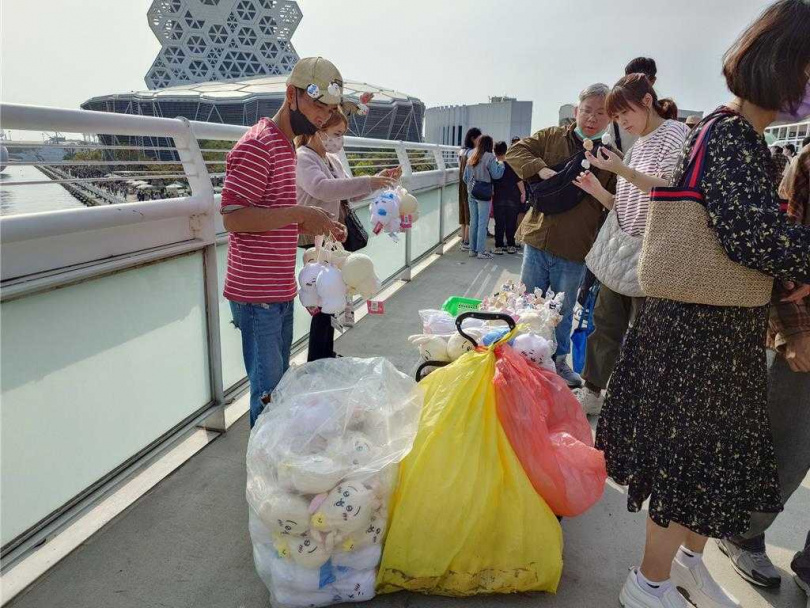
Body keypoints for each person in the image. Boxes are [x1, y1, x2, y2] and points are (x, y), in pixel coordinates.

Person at [596, 2, 810, 607]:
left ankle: (687, 564)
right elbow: (754, 234)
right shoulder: (733, 138)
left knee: (710, 465)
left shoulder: (723, 132)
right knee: (689, 466)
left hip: (710, 326)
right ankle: (648, 585)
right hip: (701, 333)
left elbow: (733, 235)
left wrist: (783, 277)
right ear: (784, 68)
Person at [221, 56, 347, 428]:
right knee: (269, 392)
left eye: (329, 110)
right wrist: (298, 214)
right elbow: (232, 216)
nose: (323, 117)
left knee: (277, 388)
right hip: (256, 295)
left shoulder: (283, 145)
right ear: (291, 95)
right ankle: (266, 475)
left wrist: (316, 227)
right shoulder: (259, 144)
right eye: (317, 105)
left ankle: (276, 467)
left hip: (275, 290)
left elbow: (270, 220)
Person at [717, 137, 810, 593]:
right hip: (805, 335)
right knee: (784, 446)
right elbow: (781, 249)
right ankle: (742, 529)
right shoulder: (807, 163)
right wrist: (793, 330)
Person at [571, 74, 689, 416]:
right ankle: (592, 391)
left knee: (644, 336)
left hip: (652, 251)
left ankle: (638, 403)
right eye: (617, 118)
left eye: (625, 115)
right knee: (604, 323)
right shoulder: (639, 144)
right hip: (622, 249)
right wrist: (597, 189)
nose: (622, 123)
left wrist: (620, 168)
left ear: (647, 102)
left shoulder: (675, 135)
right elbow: (624, 204)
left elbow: (669, 191)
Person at [505, 83, 617, 388]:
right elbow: (515, 152)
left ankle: (557, 361)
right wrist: (539, 169)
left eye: (600, 113)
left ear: (610, 119)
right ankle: (518, 357)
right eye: (587, 110)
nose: (592, 118)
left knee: (562, 312)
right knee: (527, 304)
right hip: (538, 237)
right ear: (576, 110)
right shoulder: (551, 136)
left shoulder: (610, 157)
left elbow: (618, 201)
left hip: (574, 247)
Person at [295, 109, 398, 362]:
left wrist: (378, 181)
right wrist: (369, 182)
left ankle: (324, 352)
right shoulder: (303, 157)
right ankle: (318, 357)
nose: (339, 140)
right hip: (314, 236)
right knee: (322, 295)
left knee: (333, 294)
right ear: (318, 130)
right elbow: (322, 188)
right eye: (336, 133)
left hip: (333, 236)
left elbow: (348, 193)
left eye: (342, 134)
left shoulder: (331, 159)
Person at [464, 135, 504, 259]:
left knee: (473, 221)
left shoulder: (472, 157)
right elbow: (496, 175)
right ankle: (481, 251)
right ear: (489, 145)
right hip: (484, 193)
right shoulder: (490, 157)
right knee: (482, 223)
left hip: (471, 192)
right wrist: (501, 165)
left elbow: (465, 178)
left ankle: (472, 250)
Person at [492, 140, 525, 254]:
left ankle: (499, 246)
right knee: (511, 222)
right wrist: (523, 193)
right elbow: (519, 181)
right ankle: (511, 245)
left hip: (498, 199)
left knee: (499, 223)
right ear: (506, 151)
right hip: (512, 198)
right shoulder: (512, 164)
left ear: (494, 152)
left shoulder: (494, 165)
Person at [458, 128, 481, 252]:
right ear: (473, 138)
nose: (480, 141)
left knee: (463, 211)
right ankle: (467, 241)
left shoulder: (462, 151)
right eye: (479, 138)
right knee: (470, 213)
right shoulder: (473, 152)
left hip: (461, 184)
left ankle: (463, 239)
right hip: (470, 185)